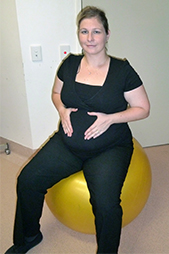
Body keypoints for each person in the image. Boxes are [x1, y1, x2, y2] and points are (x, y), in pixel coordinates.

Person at [5, 6, 150, 254]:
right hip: (68, 144)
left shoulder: (122, 70)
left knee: (106, 205)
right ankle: (28, 237)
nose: (90, 38)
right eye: (84, 31)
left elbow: (143, 108)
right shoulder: (70, 64)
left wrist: (111, 118)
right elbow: (56, 93)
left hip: (110, 148)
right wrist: (62, 110)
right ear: (79, 34)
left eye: (96, 31)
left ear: (107, 34)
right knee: (28, 180)